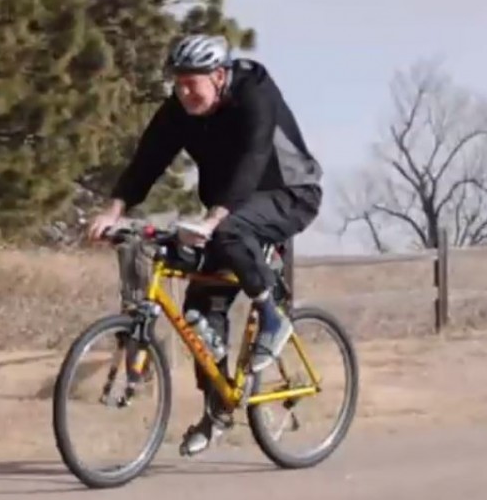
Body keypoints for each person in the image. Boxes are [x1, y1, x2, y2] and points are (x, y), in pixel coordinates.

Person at [87, 33, 324, 456]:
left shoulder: (254, 95)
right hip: (230, 210)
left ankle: (272, 317)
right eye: (176, 83)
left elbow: (253, 159)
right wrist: (115, 210)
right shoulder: (179, 110)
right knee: (199, 313)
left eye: (191, 83)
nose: (182, 92)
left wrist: (215, 218)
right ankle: (217, 413)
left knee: (231, 230)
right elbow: (146, 161)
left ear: (218, 76)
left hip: (290, 195)